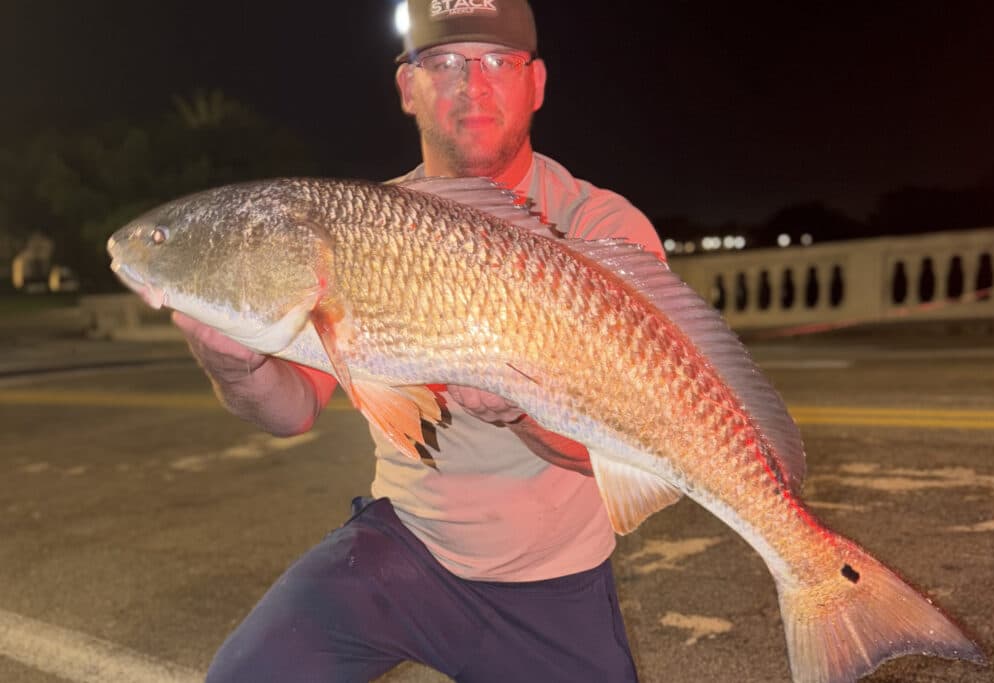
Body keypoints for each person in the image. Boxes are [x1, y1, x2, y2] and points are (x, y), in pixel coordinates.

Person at [176, 1, 665, 680]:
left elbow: (640, 443)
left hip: (554, 586)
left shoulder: (601, 231)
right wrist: (236, 368)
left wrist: (523, 412)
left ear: (537, 83)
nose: (474, 84)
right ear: (408, 86)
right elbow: (292, 408)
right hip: (406, 550)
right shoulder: (363, 228)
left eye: (499, 61)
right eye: (444, 62)